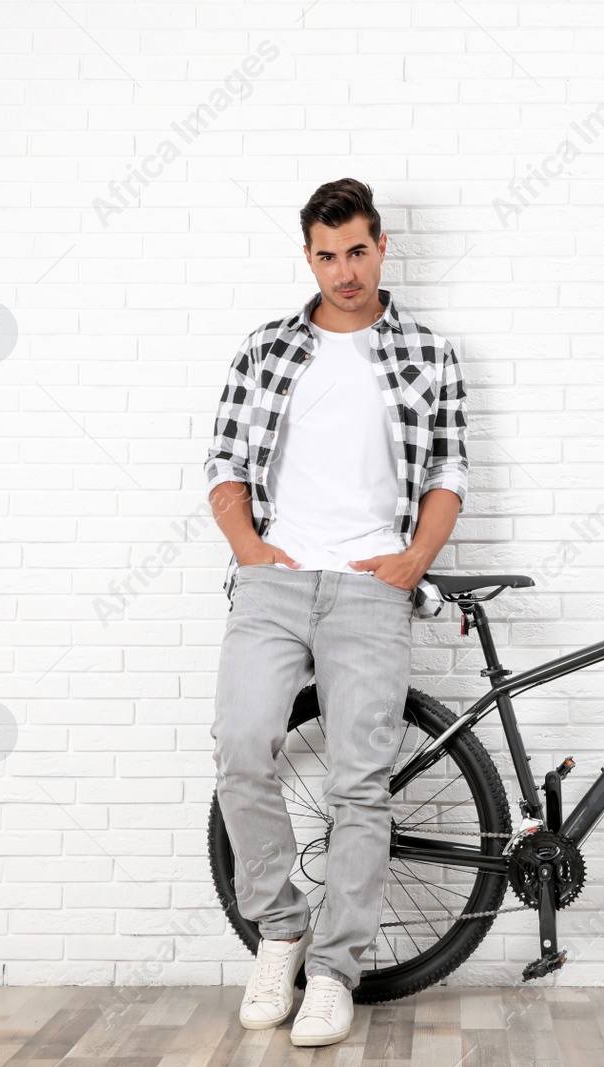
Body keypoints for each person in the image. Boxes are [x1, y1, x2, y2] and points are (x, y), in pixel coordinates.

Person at [202, 178, 468, 1047]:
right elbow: (224, 465)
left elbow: (447, 476)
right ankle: (280, 930)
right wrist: (250, 549)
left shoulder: (427, 352)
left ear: (382, 246)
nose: (344, 270)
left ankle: (334, 970)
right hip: (275, 581)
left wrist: (412, 563)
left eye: (358, 250)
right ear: (307, 254)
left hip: (370, 586)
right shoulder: (269, 347)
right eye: (327, 254)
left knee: (360, 782)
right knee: (243, 748)